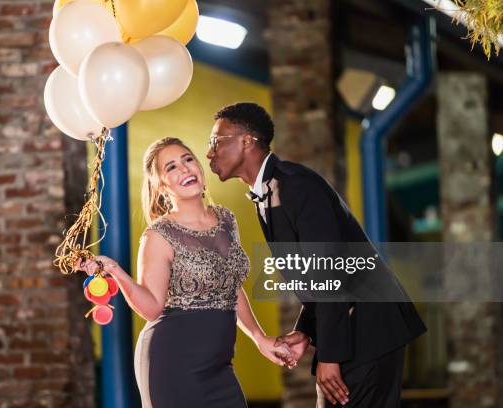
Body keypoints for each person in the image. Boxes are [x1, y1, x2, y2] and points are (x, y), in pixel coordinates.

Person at [206, 102, 427, 408]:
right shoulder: (268, 191)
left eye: (216, 142)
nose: (209, 153)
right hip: (351, 330)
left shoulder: (295, 185)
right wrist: (304, 332)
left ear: (247, 141)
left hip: (369, 330)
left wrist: (332, 357)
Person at [78, 137, 291, 408]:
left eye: (188, 160)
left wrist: (259, 338)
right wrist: (116, 271)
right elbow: (152, 309)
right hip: (172, 364)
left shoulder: (226, 220)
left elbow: (231, 289)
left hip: (220, 368)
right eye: (171, 167)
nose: (185, 169)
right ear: (160, 185)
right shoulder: (158, 235)